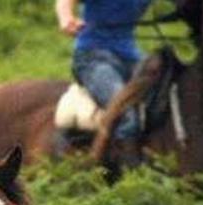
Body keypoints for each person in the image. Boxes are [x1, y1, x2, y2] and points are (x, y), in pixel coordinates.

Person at [56, 0, 153, 168]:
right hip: (93, 57)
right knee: (125, 114)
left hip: (132, 57)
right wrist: (66, 18)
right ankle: (127, 174)